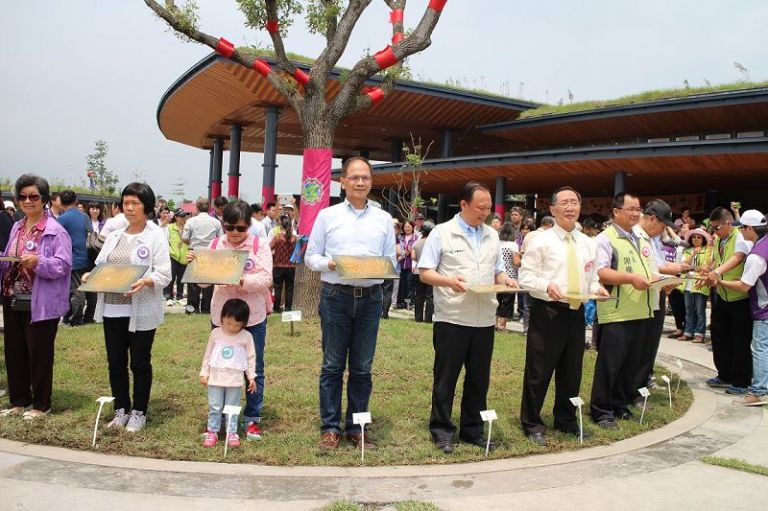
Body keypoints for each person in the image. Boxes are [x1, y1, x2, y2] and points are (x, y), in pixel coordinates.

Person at [418, 181, 518, 454]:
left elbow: (497, 270)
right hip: (452, 317)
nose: (484, 213)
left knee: (478, 379)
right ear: (463, 205)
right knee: (446, 378)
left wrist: (505, 280)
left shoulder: (491, 235)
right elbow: (425, 272)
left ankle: (473, 429)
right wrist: (449, 281)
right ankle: (442, 430)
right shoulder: (442, 233)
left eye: (488, 208)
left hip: (484, 318)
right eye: (479, 208)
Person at [305, 156, 396, 451]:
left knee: (362, 368)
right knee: (332, 365)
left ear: (371, 182)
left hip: (370, 299)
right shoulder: (327, 216)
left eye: (365, 178)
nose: (360, 182)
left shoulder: (383, 219)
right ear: (342, 181)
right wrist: (330, 263)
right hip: (336, 297)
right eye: (354, 177)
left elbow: (391, 262)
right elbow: (310, 257)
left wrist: (377, 268)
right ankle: (330, 428)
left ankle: (357, 428)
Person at [518, 187, 608, 445]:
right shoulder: (540, 240)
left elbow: (591, 279)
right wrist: (546, 286)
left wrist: (596, 289)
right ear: (553, 209)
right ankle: (532, 422)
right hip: (547, 312)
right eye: (565, 203)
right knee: (539, 370)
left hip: (576, 312)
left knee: (572, 371)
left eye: (575, 203)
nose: (570, 207)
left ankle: (566, 419)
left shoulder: (588, 243)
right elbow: (526, 276)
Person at [89, 182, 171, 433]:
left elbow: (164, 274)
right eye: (126, 203)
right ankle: (121, 409)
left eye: (135, 203)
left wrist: (147, 280)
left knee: (139, 363)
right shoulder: (114, 235)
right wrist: (89, 277)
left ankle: (139, 411)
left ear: (146, 206)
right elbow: (101, 266)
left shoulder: (155, 234)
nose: (130, 207)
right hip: (113, 308)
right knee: (115, 362)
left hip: (141, 310)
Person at [192, 200, 273, 440]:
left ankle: (252, 419)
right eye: (230, 227)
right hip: (223, 319)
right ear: (222, 224)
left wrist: (240, 280)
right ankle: (220, 420)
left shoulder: (259, 245)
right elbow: (203, 283)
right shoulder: (216, 244)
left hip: (253, 317)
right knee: (221, 364)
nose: (235, 233)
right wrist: (197, 266)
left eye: (241, 228)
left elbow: (267, 278)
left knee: (253, 368)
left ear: (249, 225)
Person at [0, 175, 72, 419]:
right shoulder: (17, 227)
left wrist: (39, 262)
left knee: (39, 354)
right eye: (22, 196)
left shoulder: (55, 231)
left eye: (33, 196)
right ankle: (19, 401)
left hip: (41, 301)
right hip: (12, 297)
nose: (27, 201)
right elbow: (11, 257)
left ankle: (41, 404)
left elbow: (63, 265)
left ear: (45, 199)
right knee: (15, 351)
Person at [590, 193, 655, 429]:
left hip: (640, 310)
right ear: (616, 211)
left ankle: (619, 404)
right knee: (610, 364)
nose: (636, 213)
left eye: (638, 209)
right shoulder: (605, 239)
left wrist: (662, 280)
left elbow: (649, 270)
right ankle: (601, 409)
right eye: (630, 209)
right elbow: (601, 272)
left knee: (630, 364)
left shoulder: (640, 237)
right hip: (616, 312)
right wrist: (630, 279)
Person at [715, 210, 768, 406]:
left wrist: (721, 282)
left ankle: (760, 391)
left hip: (764, 309)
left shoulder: (756, 255)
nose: (740, 231)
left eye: (742, 227)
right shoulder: (765, 244)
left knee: (761, 349)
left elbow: (744, 286)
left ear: (749, 228)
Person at [704, 206, 754, 394]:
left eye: (717, 227)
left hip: (740, 297)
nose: (715, 231)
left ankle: (741, 381)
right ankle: (724, 374)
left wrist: (717, 273)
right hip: (722, 295)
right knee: (719, 336)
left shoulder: (740, 236)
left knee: (739, 340)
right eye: (713, 228)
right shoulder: (719, 239)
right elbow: (719, 260)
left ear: (728, 223)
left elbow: (738, 257)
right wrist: (709, 271)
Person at [199, 298, 257, 448]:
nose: (232, 327)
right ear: (222, 318)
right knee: (215, 406)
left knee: (232, 406)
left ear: (243, 323)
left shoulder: (246, 337)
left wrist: (251, 376)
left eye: (237, 325)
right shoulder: (216, 334)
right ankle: (213, 431)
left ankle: (232, 432)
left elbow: (250, 358)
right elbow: (208, 354)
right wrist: (204, 373)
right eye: (228, 323)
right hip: (215, 379)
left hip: (235, 380)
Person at [183, 197, 223, 314]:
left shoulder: (190, 221)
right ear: (209, 207)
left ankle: (192, 309)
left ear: (197, 207)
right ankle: (206, 308)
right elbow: (220, 239)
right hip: (210, 253)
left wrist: (190, 242)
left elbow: (185, 237)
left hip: (194, 252)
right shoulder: (216, 222)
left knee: (193, 284)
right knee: (209, 283)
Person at [56, 190, 90, 327]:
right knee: (85, 289)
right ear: (76, 200)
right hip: (87, 257)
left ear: (60, 202)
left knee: (77, 291)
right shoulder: (84, 216)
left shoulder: (61, 219)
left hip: (72, 259)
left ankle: (76, 319)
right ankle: (73, 317)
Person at [681, 228, 712, 342]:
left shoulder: (707, 251)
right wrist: (693, 254)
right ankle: (688, 332)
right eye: (694, 237)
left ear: (703, 239)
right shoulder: (687, 251)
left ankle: (699, 333)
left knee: (699, 310)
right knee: (689, 309)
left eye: (699, 237)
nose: (696, 239)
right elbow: (683, 266)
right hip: (687, 283)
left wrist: (691, 268)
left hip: (700, 284)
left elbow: (705, 267)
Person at [495, 221, 520, 332]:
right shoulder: (513, 245)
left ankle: (495, 323)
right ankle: (502, 325)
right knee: (508, 302)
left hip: (497, 276)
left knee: (497, 301)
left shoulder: (497, 243)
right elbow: (516, 262)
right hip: (510, 277)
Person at [270, 212, 297, 313]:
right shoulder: (294, 239)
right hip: (291, 267)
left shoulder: (277, 237)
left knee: (278, 287)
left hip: (278, 266)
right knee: (289, 288)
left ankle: (276, 308)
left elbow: (269, 248)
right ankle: (288, 308)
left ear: (281, 225)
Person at [412, 221, 435, 323]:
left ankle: (418, 318)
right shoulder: (434, 243)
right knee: (430, 296)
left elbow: (413, 257)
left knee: (419, 295)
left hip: (419, 272)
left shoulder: (416, 243)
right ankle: (428, 318)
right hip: (431, 272)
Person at [165, 208, 189, 305]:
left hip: (184, 256)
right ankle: (168, 296)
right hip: (173, 256)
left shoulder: (188, 227)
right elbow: (166, 241)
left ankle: (180, 296)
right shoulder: (170, 227)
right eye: (181, 216)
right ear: (176, 217)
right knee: (171, 277)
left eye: (184, 216)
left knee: (181, 278)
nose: (183, 218)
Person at [396, 220, 418, 309]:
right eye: (405, 227)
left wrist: (411, 251)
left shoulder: (416, 238)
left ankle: (408, 303)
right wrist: (404, 253)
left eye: (409, 226)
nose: (407, 228)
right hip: (400, 265)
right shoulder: (399, 237)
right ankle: (401, 302)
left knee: (410, 285)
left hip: (410, 265)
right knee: (402, 284)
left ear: (412, 227)